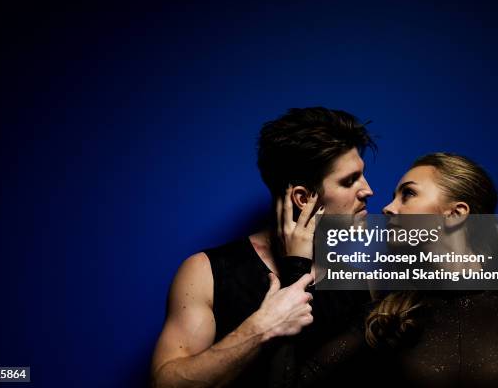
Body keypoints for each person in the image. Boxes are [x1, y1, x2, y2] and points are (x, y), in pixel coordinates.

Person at [272, 152, 498, 387]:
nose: (387, 208)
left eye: (407, 194)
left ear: (456, 214)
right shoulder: (385, 318)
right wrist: (296, 266)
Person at [150, 107, 376, 387]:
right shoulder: (206, 272)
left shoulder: (357, 282)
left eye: (362, 175)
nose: (368, 190)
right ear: (303, 198)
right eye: (349, 181)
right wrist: (262, 326)